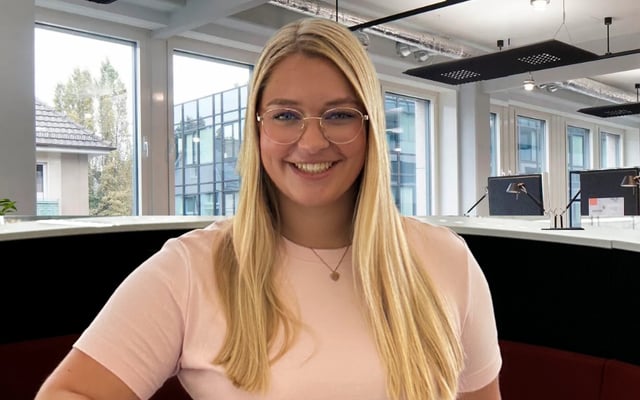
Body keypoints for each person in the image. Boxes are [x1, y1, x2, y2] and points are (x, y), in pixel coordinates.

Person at [35, 17, 502, 400]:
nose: (312, 140)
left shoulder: (448, 261)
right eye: (285, 116)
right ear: (257, 130)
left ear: (370, 129)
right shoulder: (190, 270)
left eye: (339, 114)